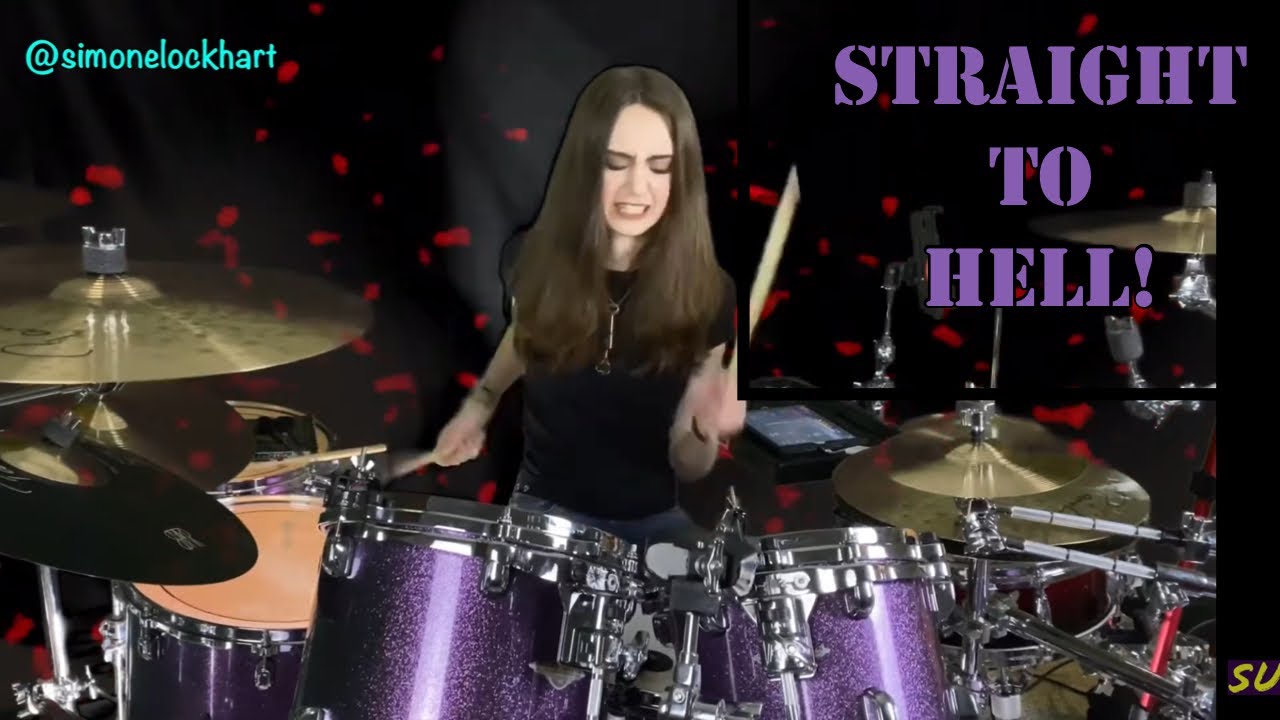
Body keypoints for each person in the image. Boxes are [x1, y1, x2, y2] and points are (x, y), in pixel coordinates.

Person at [409, 66, 744, 548]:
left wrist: (704, 428)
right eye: (616, 163)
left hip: (651, 524)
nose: (637, 188)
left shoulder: (710, 292)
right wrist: (482, 402)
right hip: (543, 515)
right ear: (584, 166)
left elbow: (690, 464)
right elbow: (528, 334)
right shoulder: (529, 258)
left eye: (659, 166)